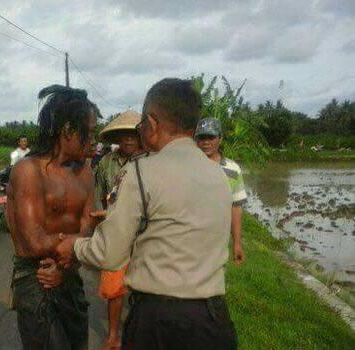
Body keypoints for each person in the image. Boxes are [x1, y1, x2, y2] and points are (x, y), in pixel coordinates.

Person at [56, 78, 237, 349]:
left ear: (151, 124)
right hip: (213, 320)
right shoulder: (219, 175)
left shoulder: (140, 172)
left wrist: (74, 246)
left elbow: (109, 253)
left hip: (160, 323)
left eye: (141, 124)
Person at [6, 84, 100, 350]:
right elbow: (35, 241)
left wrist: (65, 267)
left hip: (69, 271)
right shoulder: (29, 171)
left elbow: (88, 227)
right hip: (36, 276)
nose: (93, 140)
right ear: (68, 130)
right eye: (89, 132)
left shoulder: (85, 172)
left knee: (78, 343)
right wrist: (73, 245)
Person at [93, 110, 142, 350]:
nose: (129, 140)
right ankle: (113, 335)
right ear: (118, 138)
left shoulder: (150, 160)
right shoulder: (106, 162)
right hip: (115, 231)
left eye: (134, 135)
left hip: (145, 233)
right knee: (114, 287)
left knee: (145, 286)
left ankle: (140, 333)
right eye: (124, 135)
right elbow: (100, 195)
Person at [195, 117, 248, 265]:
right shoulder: (187, 167)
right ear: (195, 140)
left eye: (211, 137)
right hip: (190, 238)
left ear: (220, 138)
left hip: (218, 241)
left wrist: (237, 243)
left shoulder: (233, 169)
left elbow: (236, 208)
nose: (206, 142)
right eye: (201, 138)